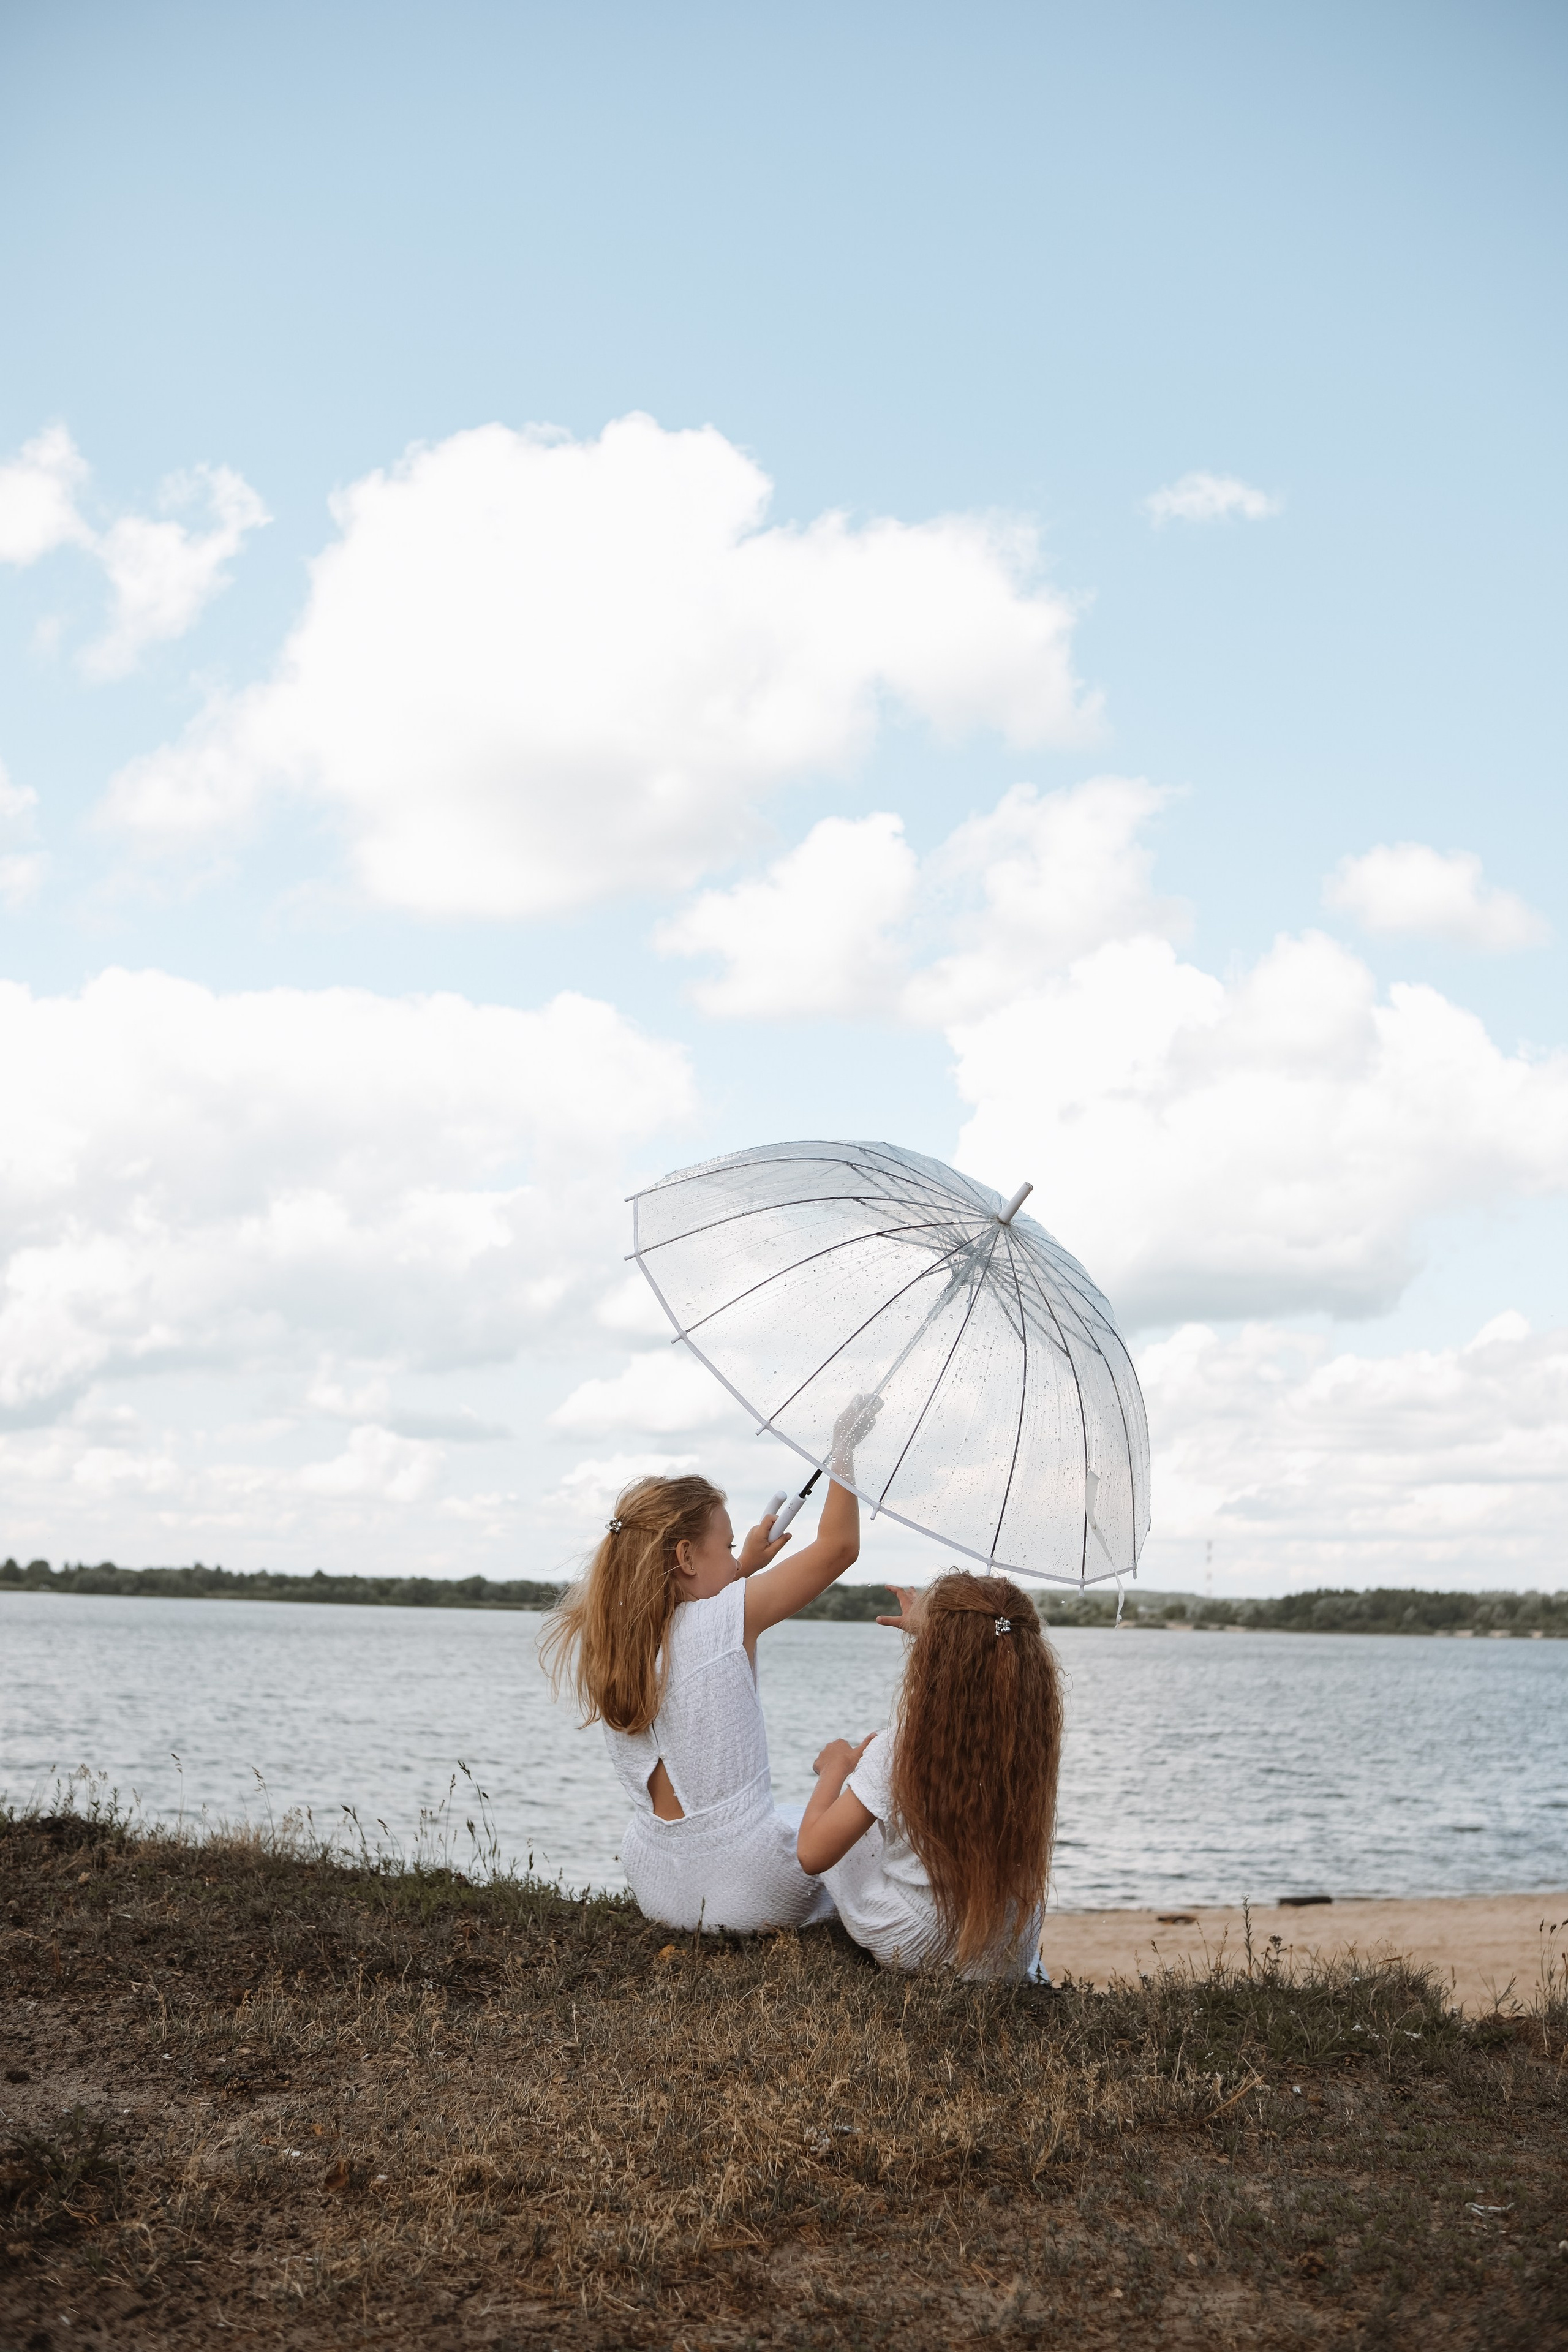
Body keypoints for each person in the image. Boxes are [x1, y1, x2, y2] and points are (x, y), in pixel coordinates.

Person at [540, 1403, 875, 1934]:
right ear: (687, 1558)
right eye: (728, 1545)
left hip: (658, 1884)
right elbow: (839, 1548)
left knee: (791, 1816)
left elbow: (694, 1621)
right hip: (751, 1885)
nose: (736, 1558)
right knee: (867, 1830)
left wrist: (741, 1567)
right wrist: (843, 1447)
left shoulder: (615, 1640)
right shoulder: (725, 1621)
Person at [795, 1571, 1063, 1980]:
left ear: (935, 1658)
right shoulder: (1033, 1742)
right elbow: (988, 1651)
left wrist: (836, 1769)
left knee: (852, 1832)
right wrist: (941, 1634)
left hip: (917, 1939)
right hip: (1007, 1950)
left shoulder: (900, 1749)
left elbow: (812, 1855)